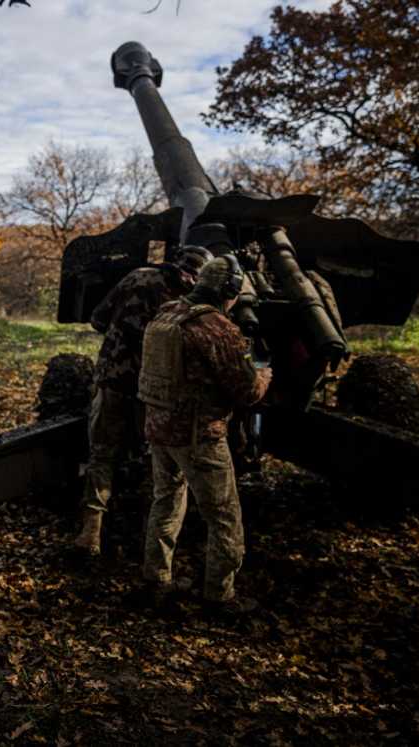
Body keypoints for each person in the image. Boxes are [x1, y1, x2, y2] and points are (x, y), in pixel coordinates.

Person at [137, 254, 272, 611]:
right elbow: (247, 393)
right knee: (225, 517)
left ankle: (157, 578)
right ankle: (220, 595)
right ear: (228, 290)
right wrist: (263, 375)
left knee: (165, 503)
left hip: (158, 428)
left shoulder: (167, 313)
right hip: (199, 435)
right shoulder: (216, 327)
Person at [72, 246, 212, 556]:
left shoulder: (138, 277)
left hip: (112, 378)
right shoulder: (191, 302)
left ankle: (90, 531)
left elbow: (98, 319)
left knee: (102, 454)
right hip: (152, 391)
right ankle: (148, 536)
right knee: (158, 459)